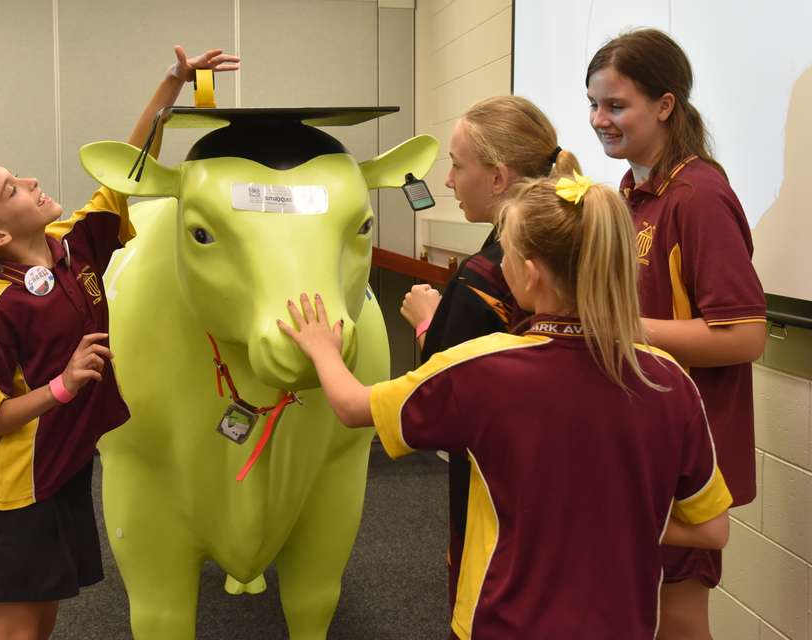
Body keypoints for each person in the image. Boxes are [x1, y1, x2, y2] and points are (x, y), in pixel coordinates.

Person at [279, 174, 732, 639]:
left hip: (504, 624)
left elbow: (354, 407)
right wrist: (617, 516)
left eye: (508, 254)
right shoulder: (668, 381)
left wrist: (322, 349)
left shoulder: (483, 368)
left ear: (530, 273)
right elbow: (711, 530)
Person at [0, 46, 238, 639]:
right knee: (15, 633)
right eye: (13, 189)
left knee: (43, 626)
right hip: (18, 494)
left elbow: (130, 167)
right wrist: (61, 386)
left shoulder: (75, 244)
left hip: (64, 476)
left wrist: (172, 83)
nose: (33, 182)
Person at [586, 28, 766, 638]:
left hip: (690, 449)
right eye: (594, 104)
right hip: (643, 436)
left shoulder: (699, 195)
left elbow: (745, 336)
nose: (599, 119)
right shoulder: (633, 189)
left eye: (616, 105)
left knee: (681, 620)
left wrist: (621, 329)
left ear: (665, 105)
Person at [398, 96, 581, 610]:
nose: (450, 182)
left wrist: (427, 320)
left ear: (498, 178)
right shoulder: (578, 250)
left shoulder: (482, 279)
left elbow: (446, 399)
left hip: (499, 500)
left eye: (457, 166)